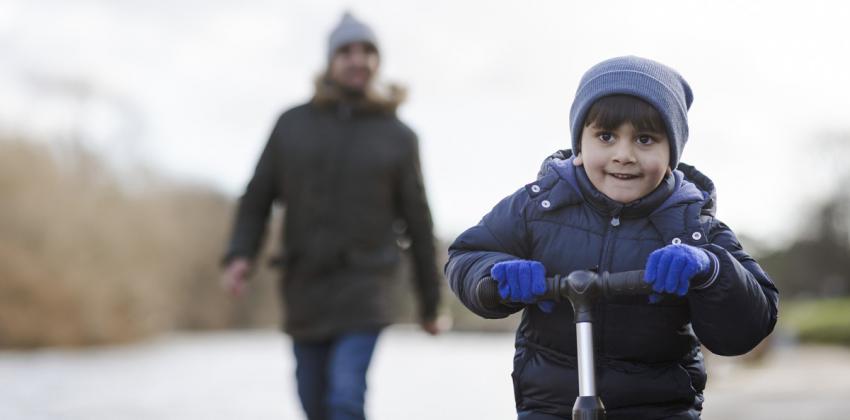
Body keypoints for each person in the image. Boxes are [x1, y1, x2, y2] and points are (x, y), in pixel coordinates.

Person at [445, 56, 779, 419]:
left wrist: (711, 270)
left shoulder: (693, 226)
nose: (624, 155)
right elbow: (467, 254)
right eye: (606, 136)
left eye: (645, 139)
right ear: (580, 144)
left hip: (658, 409)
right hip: (550, 407)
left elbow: (749, 326)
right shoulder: (538, 206)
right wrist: (494, 276)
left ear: (671, 153)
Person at [221, 12, 441, 420]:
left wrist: (430, 304)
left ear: (378, 62)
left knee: (345, 398)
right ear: (330, 61)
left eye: (367, 52)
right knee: (313, 402)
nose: (358, 60)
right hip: (305, 288)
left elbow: (419, 223)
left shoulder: (397, 137)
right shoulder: (292, 125)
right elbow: (257, 197)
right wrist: (240, 255)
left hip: (366, 286)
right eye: (347, 52)